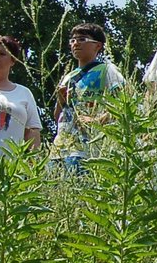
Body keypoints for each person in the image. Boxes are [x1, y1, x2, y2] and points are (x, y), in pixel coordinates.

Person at [50, 23, 127, 172]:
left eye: (82, 39)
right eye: (72, 40)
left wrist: (98, 121)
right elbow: (57, 116)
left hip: (87, 148)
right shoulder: (68, 77)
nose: (76, 43)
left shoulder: (107, 70)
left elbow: (124, 102)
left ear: (97, 46)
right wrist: (60, 100)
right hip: (60, 147)